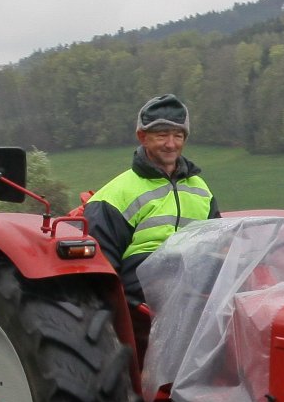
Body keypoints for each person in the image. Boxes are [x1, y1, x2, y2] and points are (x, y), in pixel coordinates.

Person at [84, 94, 220, 304]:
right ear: (142, 137)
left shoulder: (201, 190)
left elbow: (219, 243)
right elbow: (102, 269)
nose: (171, 144)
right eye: (162, 135)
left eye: (178, 136)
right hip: (141, 299)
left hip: (197, 291)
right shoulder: (115, 195)